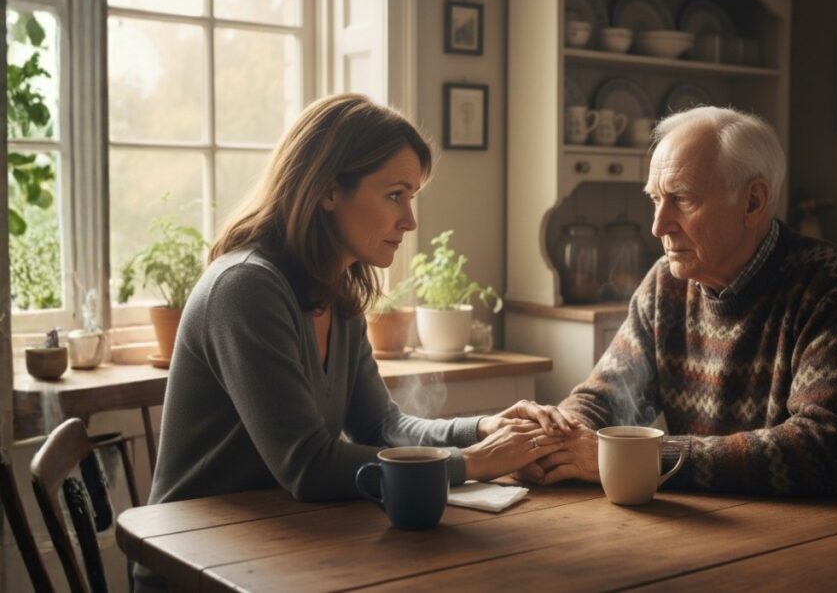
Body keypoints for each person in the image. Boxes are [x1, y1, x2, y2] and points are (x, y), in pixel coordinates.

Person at [136, 94, 572, 590]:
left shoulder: (334, 289)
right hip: (196, 565)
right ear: (327, 191)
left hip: (278, 545)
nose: (409, 220)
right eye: (395, 195)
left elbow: (381, 425)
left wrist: (483, 429)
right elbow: (308, 466)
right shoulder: (245, 288)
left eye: (412, 198)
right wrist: (472, 463)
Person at [521, 106, 837, 496]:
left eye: (681, 200)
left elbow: (823, 451)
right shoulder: (664, 285)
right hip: (720, 523)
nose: (658, 226)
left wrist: (642, 457)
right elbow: (602, 397)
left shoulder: (833, 287)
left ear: (753, 202)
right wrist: (554, 438)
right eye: (655, 200)